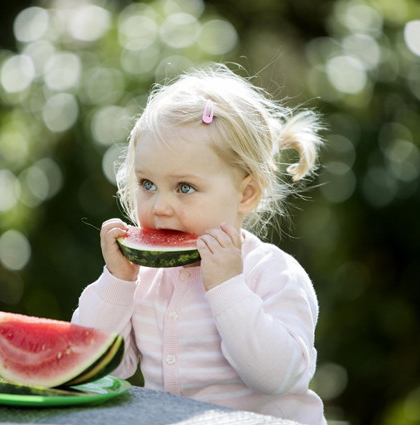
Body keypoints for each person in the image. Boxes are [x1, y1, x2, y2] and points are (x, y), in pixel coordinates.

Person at [72, 63, 327, 425]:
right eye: (147, 184)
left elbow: (276, 378)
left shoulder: (271, 273)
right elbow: (93, 364)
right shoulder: (144, 277)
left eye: (185, 188)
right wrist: (117, 281)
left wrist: (227, 288)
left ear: (246, 193)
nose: (160, 207)